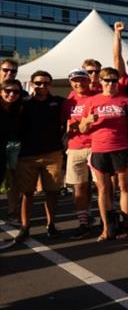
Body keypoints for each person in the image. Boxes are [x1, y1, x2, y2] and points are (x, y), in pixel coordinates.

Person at [80, 67, 128, 241]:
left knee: (124, 188)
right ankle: (106, 227)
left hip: (121, 148)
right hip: (99, 150)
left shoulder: (125, 100)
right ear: (100, 81)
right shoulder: (92, 101)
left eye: (113, 80)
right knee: (103, 190)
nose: (110, 83)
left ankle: (125, 225)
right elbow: (81, 128)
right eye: (107, 80)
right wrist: (88, 120)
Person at [13, 71, 65, 242]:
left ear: (50, 85)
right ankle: (25, 227)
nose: (42, 86)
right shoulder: (23, 103)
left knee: (52, 192)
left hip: (53, 154)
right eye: (38, 83)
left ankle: (51, 225)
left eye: (46, 83)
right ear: (32, 83)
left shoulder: (58, 102)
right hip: (27, 155)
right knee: (27, 193)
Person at [62, 69, 97, 239]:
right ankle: (84, 222)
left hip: (95, 146)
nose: (79, 84)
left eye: (82, 80)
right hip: (75, 147)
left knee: (102, 185)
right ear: (71, 83)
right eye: (75, 81)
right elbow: (69, 124)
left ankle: (108, 219)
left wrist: (80, 125)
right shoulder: (69, 101)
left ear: (88, 81)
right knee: (79, 187)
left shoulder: (96, 96)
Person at [1, 79, 23, 226]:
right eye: (7, 91)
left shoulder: (20, 107)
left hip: (16, 146)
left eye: (15, 91)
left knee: (14, 181)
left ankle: (12, 212)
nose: (11, 94)